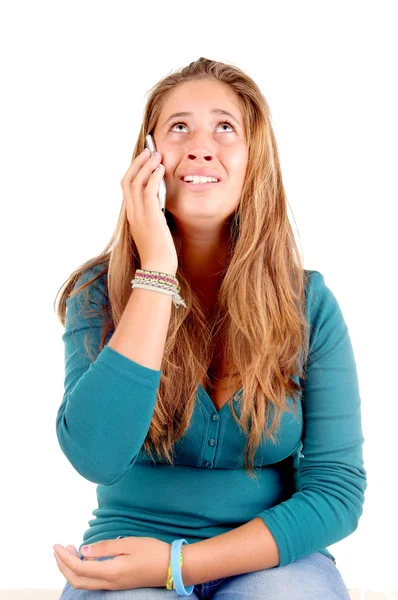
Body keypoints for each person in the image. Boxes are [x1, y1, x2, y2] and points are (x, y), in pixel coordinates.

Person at [54, 57, 366, 599]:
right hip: (127, 558)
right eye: (179, 127)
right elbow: (96, 457)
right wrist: (155, 272)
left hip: (273, 560)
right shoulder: (97, 292)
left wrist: (179, 564)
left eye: (225, 127)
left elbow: (338, 491)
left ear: (254, 160)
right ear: (146, 158)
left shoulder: (308, 304)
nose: (201, 146)